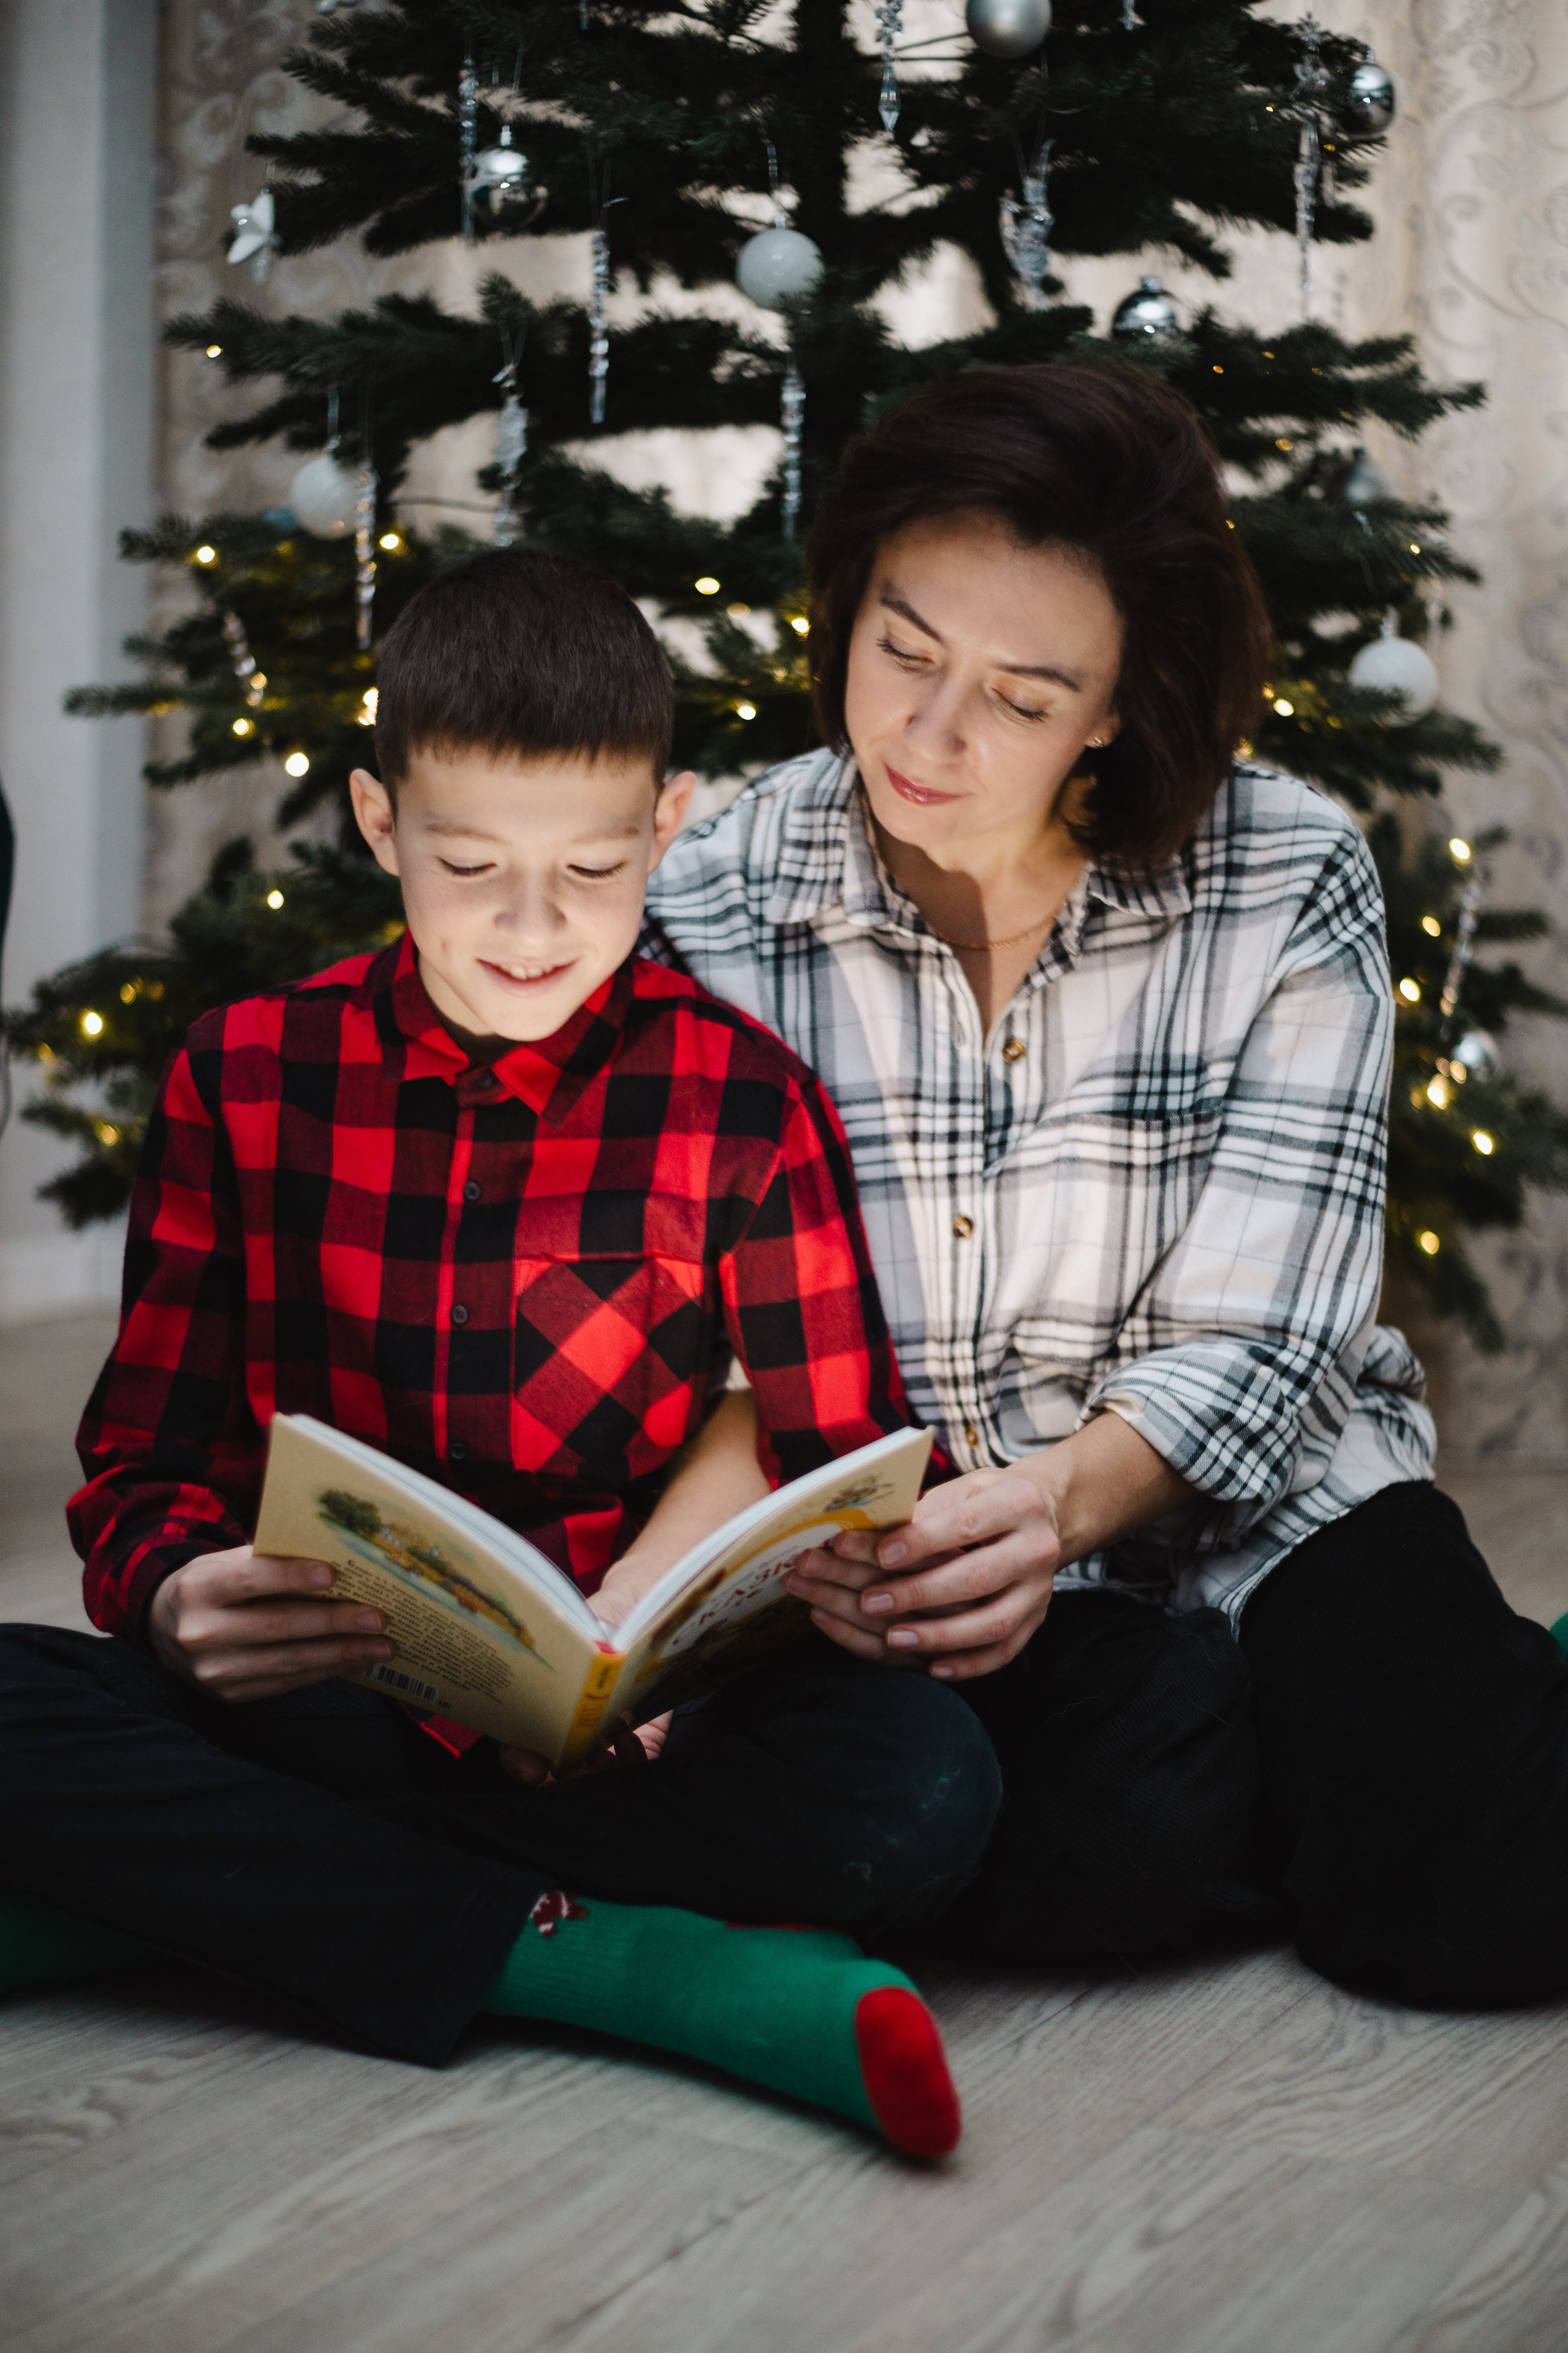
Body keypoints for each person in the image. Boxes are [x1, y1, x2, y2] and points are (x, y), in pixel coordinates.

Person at [0, 552, 1002, 2158]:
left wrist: (717, 1629)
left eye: (596, 872)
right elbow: (146, 1467)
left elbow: (844, 1465)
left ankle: (219, 1900)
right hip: (338, 1703)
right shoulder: (241, 1077)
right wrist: (183, 1605)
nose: (535, 930)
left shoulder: (740, 1101)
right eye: (470, 865)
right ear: (382, 824)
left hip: (651, 1741)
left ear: (667, 827)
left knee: (926, 1790)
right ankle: (587, 1957)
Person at [645, 362, 1568, 2009]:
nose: (926, 734)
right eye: (902, 650)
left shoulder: (1287, 872)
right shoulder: (714, 904)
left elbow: (1270, 1335)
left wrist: (1061, 1502)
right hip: (925, 1576)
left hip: (1273, 1501)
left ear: (1121, 708)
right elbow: (695, 1336)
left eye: (1017, 696)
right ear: (845, 605)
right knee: (1098, 1859)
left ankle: (1373, 1733)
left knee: (1477, 1912)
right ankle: (1307, 1748)